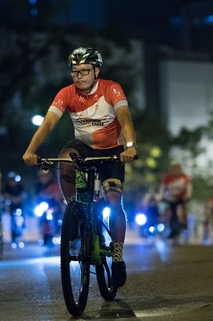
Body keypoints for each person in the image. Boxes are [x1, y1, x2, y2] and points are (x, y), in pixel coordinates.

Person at [22, 47, 137, 288]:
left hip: (111, 151)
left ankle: (117, 257)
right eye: (75, 72)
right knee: (65, 160)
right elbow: (48, 124)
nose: (79, 76)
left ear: (96, 71)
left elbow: (125, 118)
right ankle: (75, 210)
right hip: (83, 147)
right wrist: (30, 150)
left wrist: (130, 146)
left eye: (85, 71)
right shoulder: (66, 93)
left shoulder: (111, 88)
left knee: (114, 202)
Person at [159, 163, 192, 238]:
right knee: (167, 211)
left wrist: (187, 196)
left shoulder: (185, 177)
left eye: (177, 169)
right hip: (170, 199)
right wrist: (162, 197)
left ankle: (185, 224)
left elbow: (189, 188)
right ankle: (167, 225)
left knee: (184, 209)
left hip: (181, 199)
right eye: (173, 169)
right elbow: (162, 188)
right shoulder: (167, 178)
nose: (175, 171)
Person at [3, 171, 26, 245]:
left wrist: (17, 199)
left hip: (20, 205)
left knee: (22, 216)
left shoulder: (20, 186)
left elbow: (23, 196)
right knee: (12, 221)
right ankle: (13, 238)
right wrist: (11, 200)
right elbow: (6, 196)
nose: (12, 181)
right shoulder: (7, 187)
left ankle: (22, 228)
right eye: (11, 180)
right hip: (12, 206)